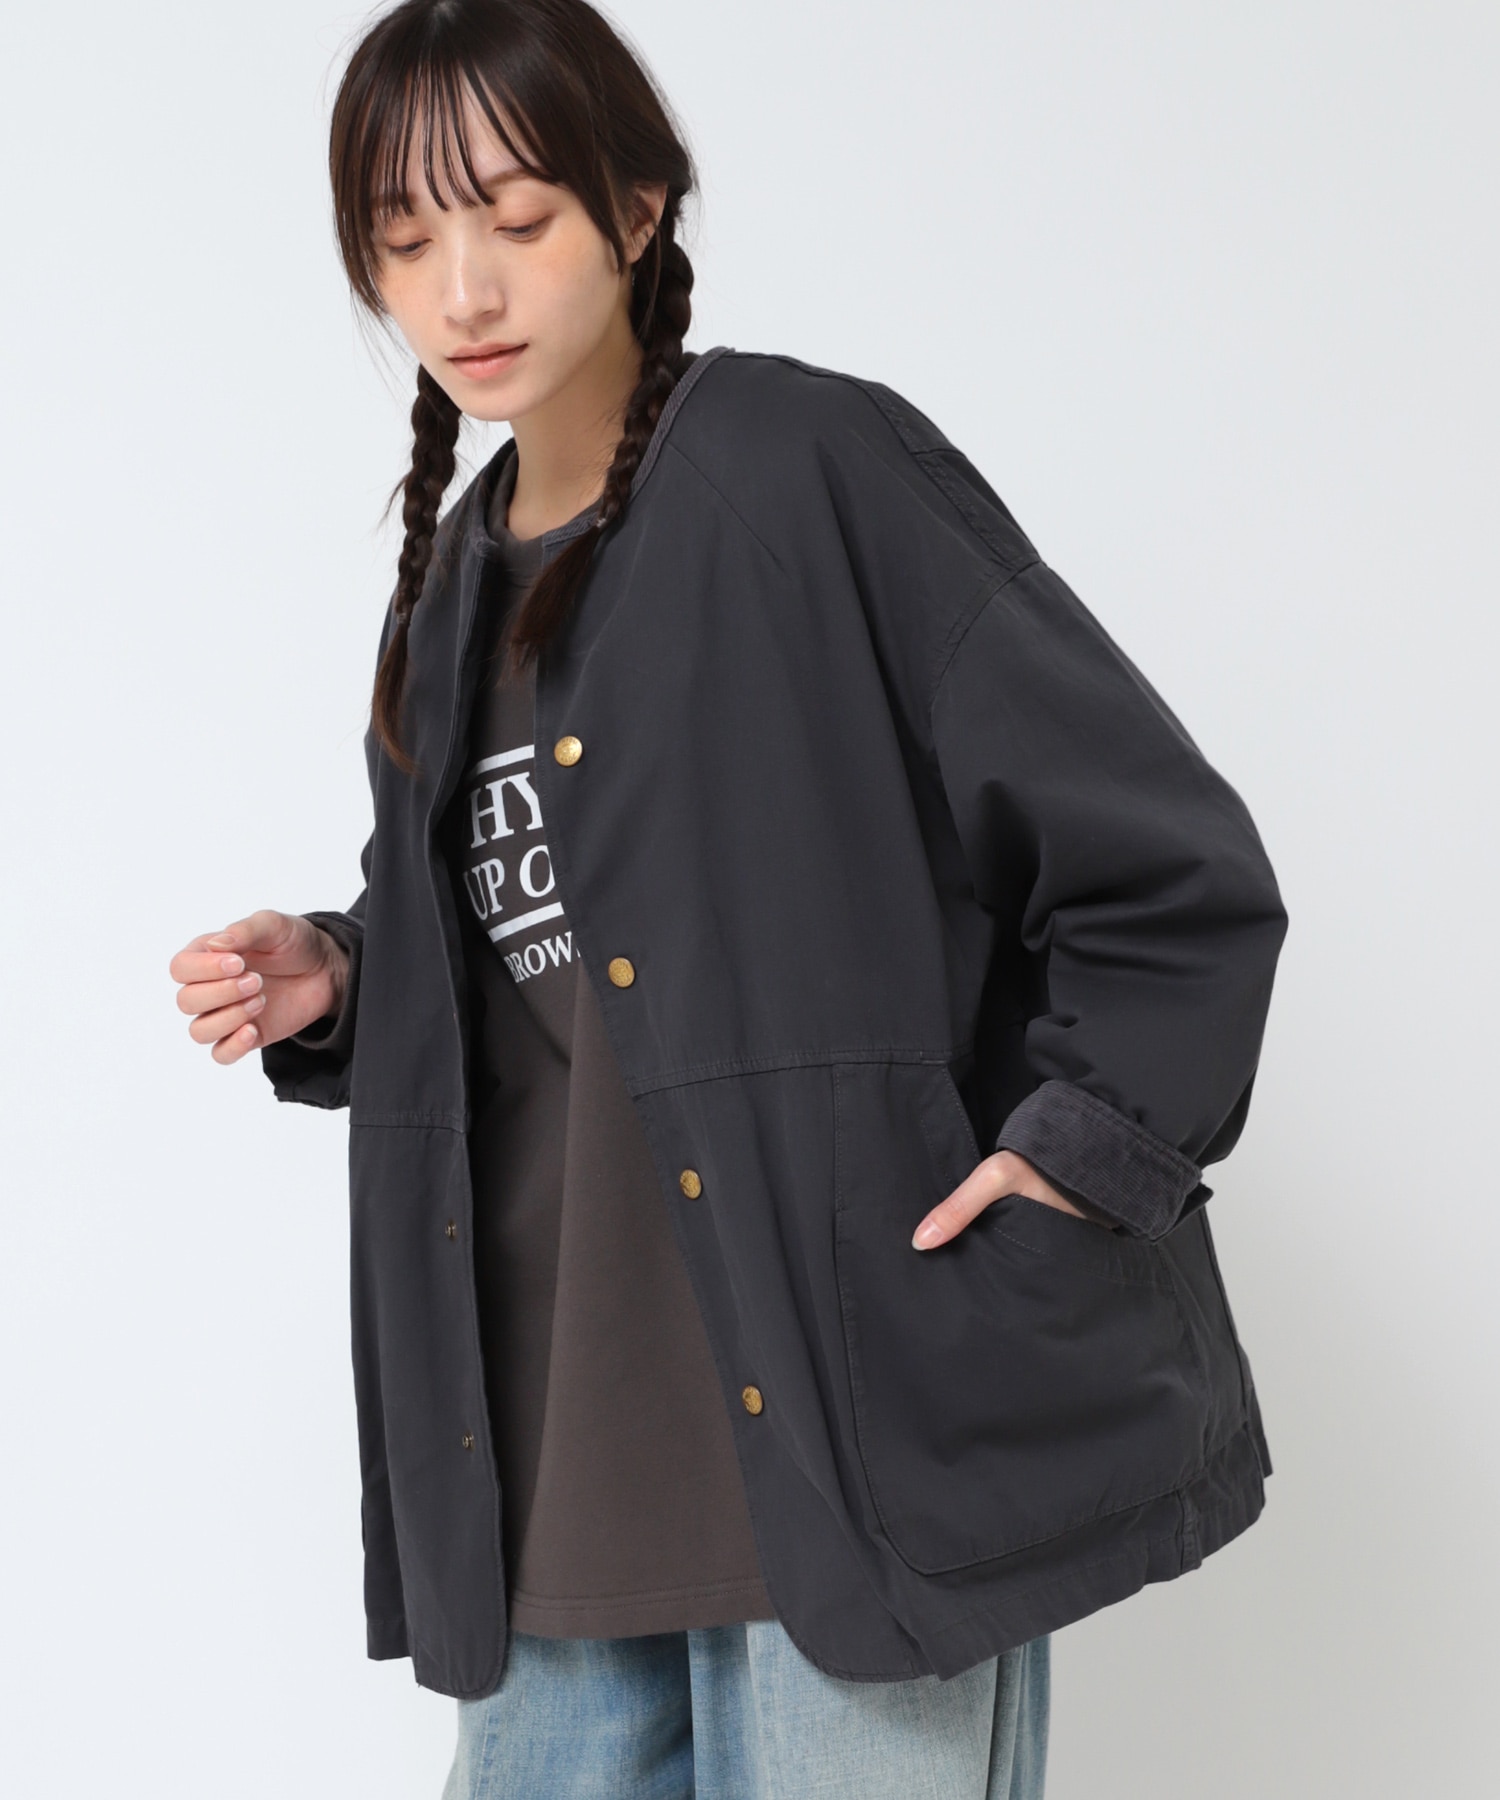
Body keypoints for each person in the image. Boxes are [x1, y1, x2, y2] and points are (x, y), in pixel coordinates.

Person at [167, 1, 1288, 1794]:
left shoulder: (805, 470)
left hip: (852, 1467)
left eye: (517, 218)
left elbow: (1167, 868)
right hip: (549, 1489)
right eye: (405, 241)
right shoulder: (447, 592)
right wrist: (350, 976)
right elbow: (569, 971)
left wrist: (1081, 1160)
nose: (464, 290)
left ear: (637, 207)